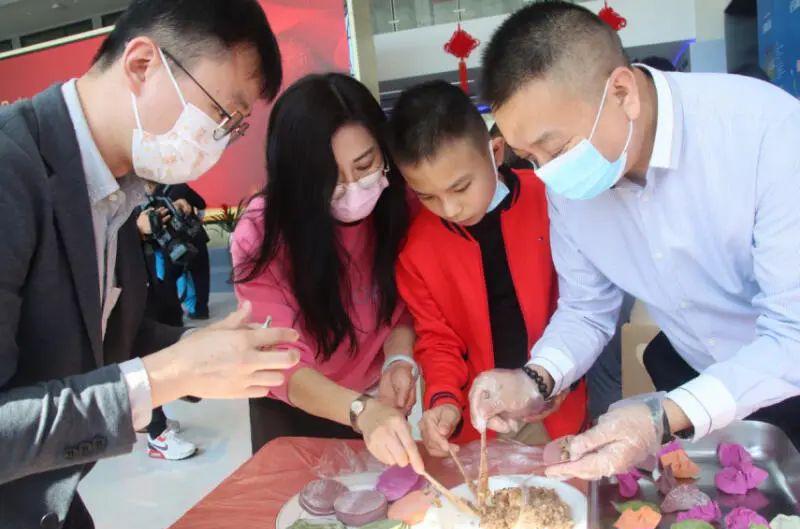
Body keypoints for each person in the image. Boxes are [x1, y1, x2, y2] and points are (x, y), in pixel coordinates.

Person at [470, 0, 800, 480]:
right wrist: (535, 378)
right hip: (697, 379)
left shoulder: (766, 134)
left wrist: (660, 417)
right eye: (530, 157)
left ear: (622, 93)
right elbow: (586, 308)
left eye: (555, 148)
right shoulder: (568, 185)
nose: (547, 173)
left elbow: (793, 333)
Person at [0, 1, 297, 529]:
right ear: (142, 64)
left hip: (50, 505)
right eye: (221, 113)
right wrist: (163, 377)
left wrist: (200, 351)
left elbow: (112, 336)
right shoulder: (11, 170)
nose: (221, 141)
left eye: (235, 127)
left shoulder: (117, 188)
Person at [231, 73, 424, 473]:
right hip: (296, 404)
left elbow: (403, 305)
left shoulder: (400, 204)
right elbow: (281, 361)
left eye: (365, 164)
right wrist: (359, 410)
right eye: (328, 177)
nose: (354, 187)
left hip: (376, 398)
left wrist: (398, 359)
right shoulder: (263, 233)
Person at [386, 81, 587, 457]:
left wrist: (561, 379)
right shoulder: (417, 250)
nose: (450, 209)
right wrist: (444, 401)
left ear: (495, 152)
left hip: (555, 406)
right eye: (427, 196)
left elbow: (582, 307)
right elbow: (437, 341)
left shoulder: (551, 200)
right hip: (480, 422)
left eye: (461, 187)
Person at [135, 195, 198, 460]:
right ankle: (157, 434)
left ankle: (150, 419)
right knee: (141, 359)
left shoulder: (140, 196)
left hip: (152, 283)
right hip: (127, 296)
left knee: (156, 348)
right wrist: (135, 231)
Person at [158, 183, 212, 319]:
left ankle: (174, 314)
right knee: (201, 274)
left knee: (170, 279)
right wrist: (198, 219)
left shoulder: (150, 197)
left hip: (172, 243)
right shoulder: (180, 187)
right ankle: (202, 310)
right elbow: (201, 203)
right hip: (195, 236)